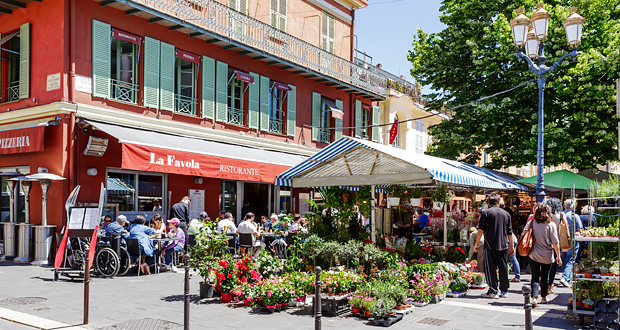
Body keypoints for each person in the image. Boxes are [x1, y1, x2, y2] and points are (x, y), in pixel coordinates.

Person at [474, 193, 514, 299]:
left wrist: (476, 244)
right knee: (504, 267)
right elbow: (510, 232)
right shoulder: (506, 214)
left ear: (489, 202)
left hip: (490, 245)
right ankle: (504, 291)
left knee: (490, 268)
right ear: (498, 201)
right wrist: (512, 246)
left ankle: (493, 291)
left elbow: (480, 230)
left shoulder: (486, 213)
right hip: (503, 245)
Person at [524, 203, 562, 306]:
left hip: (534, 254)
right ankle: (544, 297)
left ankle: (534, 298)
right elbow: (555, 241)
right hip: (547, 255)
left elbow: (524, 233)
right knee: (545, 276)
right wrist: (558, 256)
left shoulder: (532, 222)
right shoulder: (551, 224)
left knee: (535, 275)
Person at [559, 198, 583, 287]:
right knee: (570, 260)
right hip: (572, 240)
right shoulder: (574, 216)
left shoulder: (560, 215)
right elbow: (579, 229)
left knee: (564, 259)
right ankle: (565, 278)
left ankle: (567, 278)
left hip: (561, 241)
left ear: (564, 206)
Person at [545, 197, 566, 294]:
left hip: (546, 241)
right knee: (553, 265)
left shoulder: (547, 215)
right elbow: (566, 226)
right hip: (557, 242)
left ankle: (546, 283)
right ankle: (550, 284)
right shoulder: (561, 214)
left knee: (546, 264)